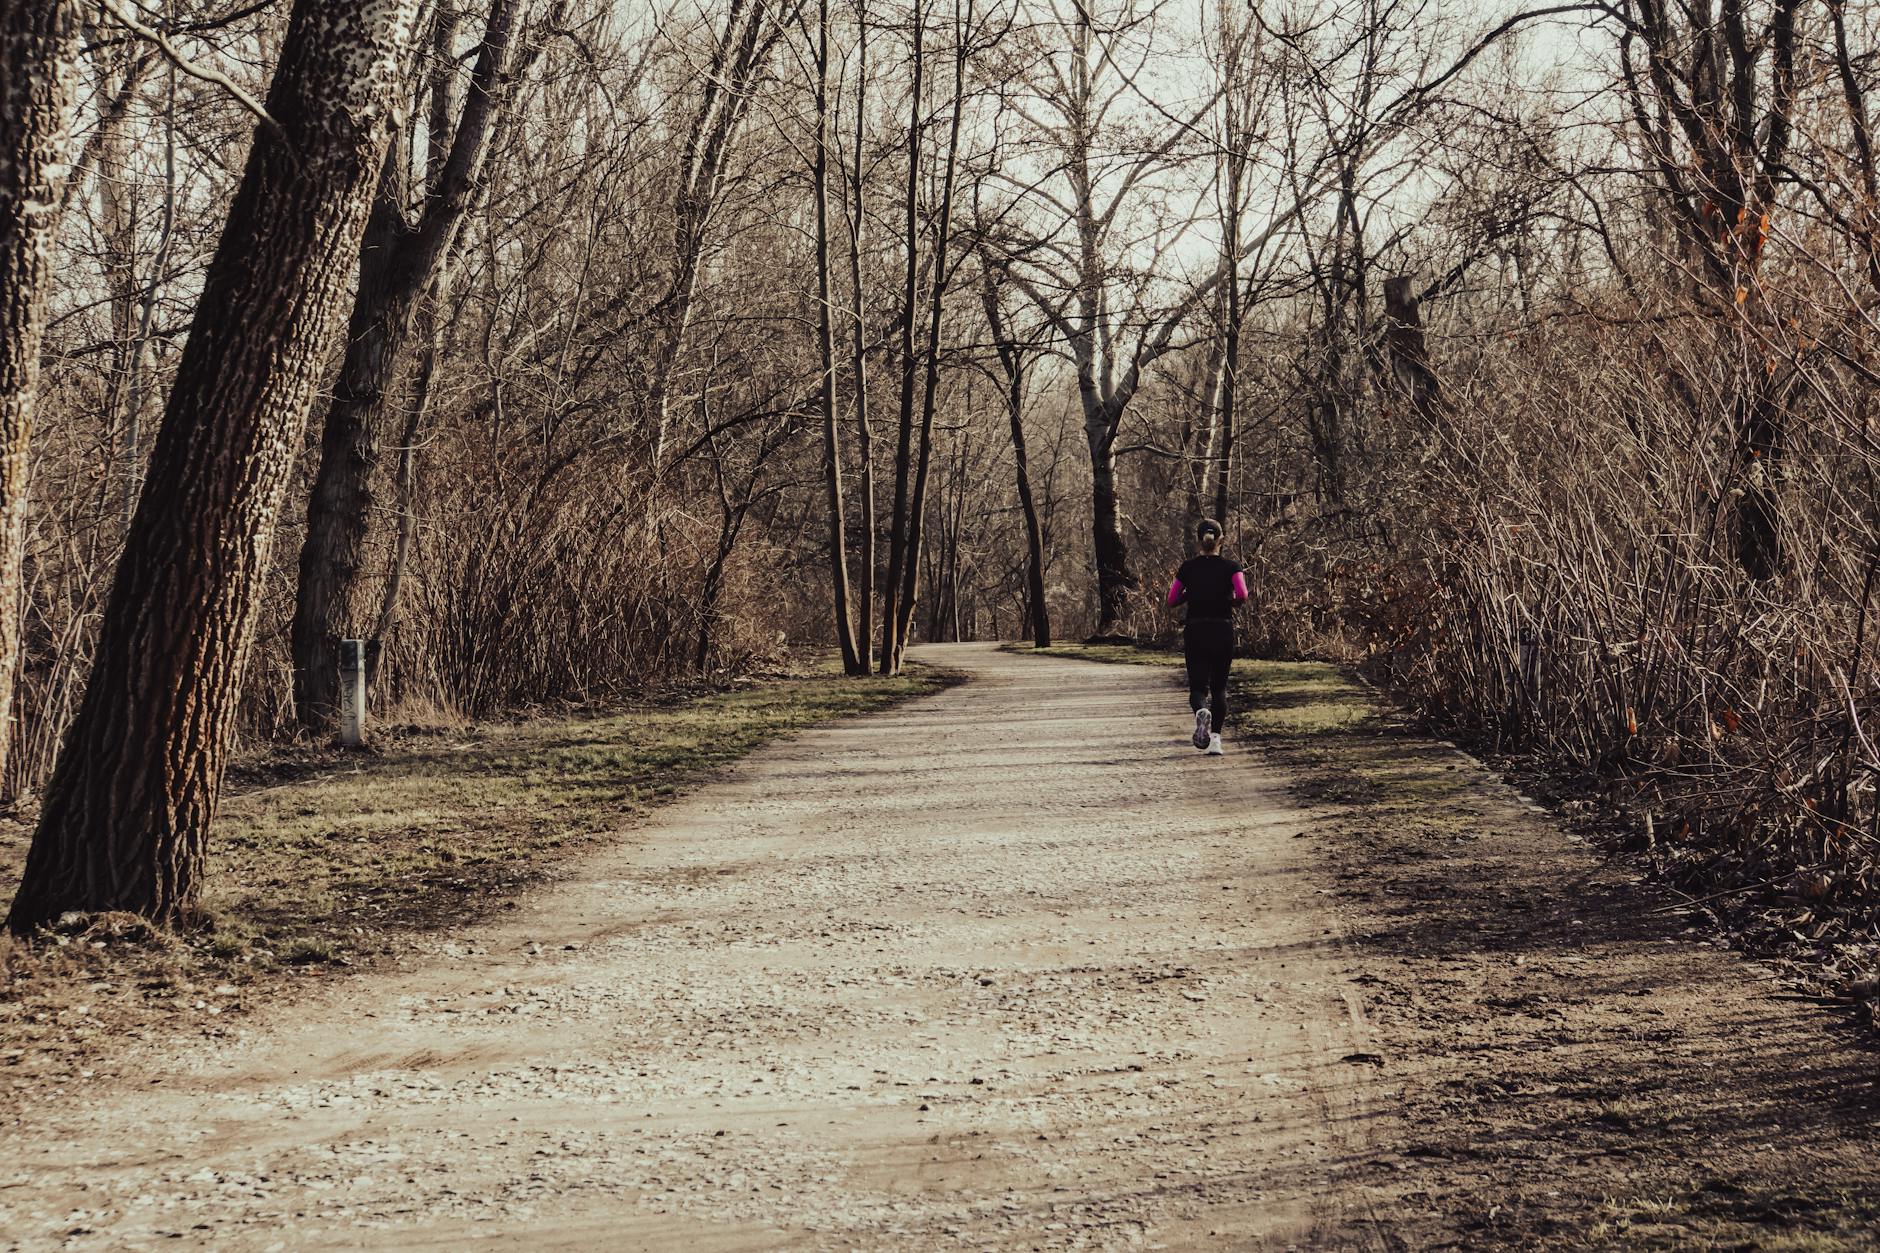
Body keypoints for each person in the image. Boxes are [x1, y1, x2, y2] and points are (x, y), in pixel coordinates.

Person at [1166, 518, 1248, 756]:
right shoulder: (1232, 567)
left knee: (1197, 688)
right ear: (1221, 540)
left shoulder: (1188, 568)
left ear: (1198, 541)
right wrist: (1233, 602)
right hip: (1222, 629)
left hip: (1196, 630)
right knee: (1220, 688)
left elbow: (1172, 600)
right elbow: (1243, 593)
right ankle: (1215, 741)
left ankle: (1201, 711)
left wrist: (1189, 594)